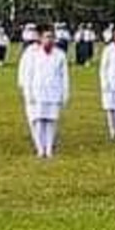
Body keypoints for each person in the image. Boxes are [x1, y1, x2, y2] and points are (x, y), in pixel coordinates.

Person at [18, 25, 70, 158]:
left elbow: (64, 76)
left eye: (52, 37)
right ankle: (40, 148)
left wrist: (65, 93)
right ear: (40, 38)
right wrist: (27, 92)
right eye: (47, 37)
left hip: (53, 91)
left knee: (51, 120)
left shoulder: (60, 55)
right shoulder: (32, 53)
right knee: (37, 120)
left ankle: (49, 148)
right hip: (36, 92)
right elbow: (27, 74)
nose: (50, 40)